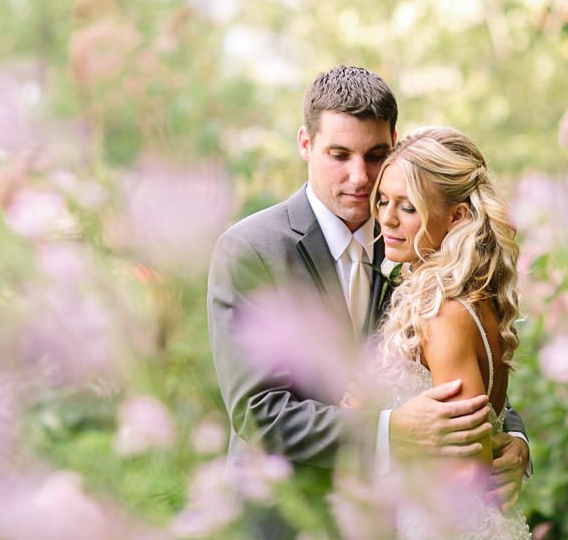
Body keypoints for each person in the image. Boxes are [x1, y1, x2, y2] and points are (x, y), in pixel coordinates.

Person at [206, 66, 529, 535]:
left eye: (375, 155)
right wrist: (390, 431)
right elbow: (259, 413)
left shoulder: (416, 242)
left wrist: (514, 437)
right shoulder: (252, 251)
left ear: (394, 144)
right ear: (305, 144)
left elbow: (452, 369)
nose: (360, 178)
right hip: (291, 516)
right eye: (339, 154)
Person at [363, 125, 532, 538]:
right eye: (383, 200)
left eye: (408, 207)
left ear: (456, 216)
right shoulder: (473, 297)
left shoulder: (442, 312)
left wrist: (371, 425)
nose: (386, 217)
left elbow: (468, 470)